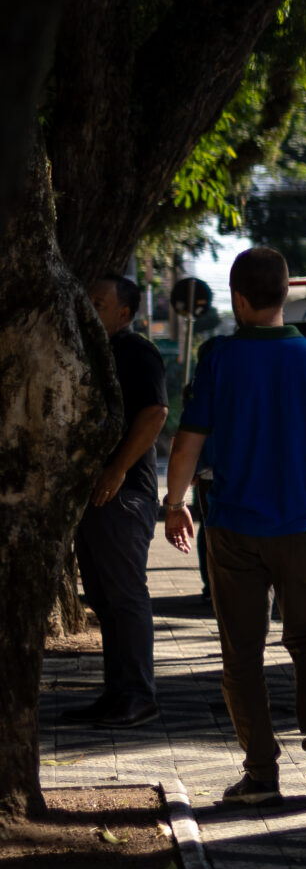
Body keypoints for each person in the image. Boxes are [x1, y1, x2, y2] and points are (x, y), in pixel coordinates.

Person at [163, 248, 306, 805]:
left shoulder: (218, 358)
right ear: (286, 293)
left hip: (233, 529)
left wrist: (175, 503)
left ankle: (260, 774)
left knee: (242, 653)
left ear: (238, 298)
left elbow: (187, 443)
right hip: (304, 526)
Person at [64, 275, 169, 728]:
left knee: (125, 597)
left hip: (123, 494)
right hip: (92, 495)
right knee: (103, 598)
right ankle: (117, 693)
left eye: (98, 302)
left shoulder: (136, 351)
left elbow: (155, 413)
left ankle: (139, 696)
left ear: (124, 313)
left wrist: (117, 469)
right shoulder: (90, 351)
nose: (88, 308)